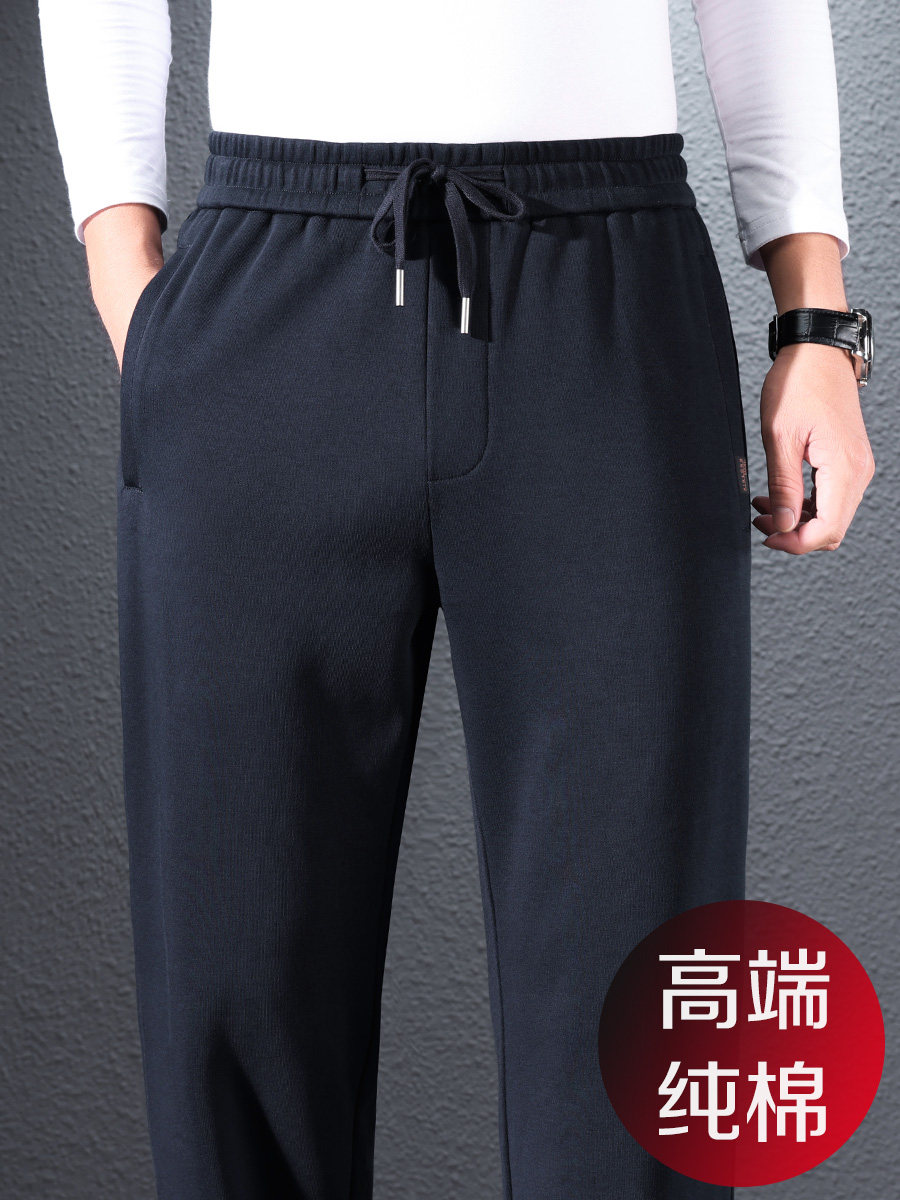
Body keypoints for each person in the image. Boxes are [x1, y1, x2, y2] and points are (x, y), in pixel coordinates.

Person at [37, 2, 875, 1198]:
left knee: (640, 983)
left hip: (605, 290)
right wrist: (135, 300)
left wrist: (817, 326)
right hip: (267, 295)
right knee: (239, 973)